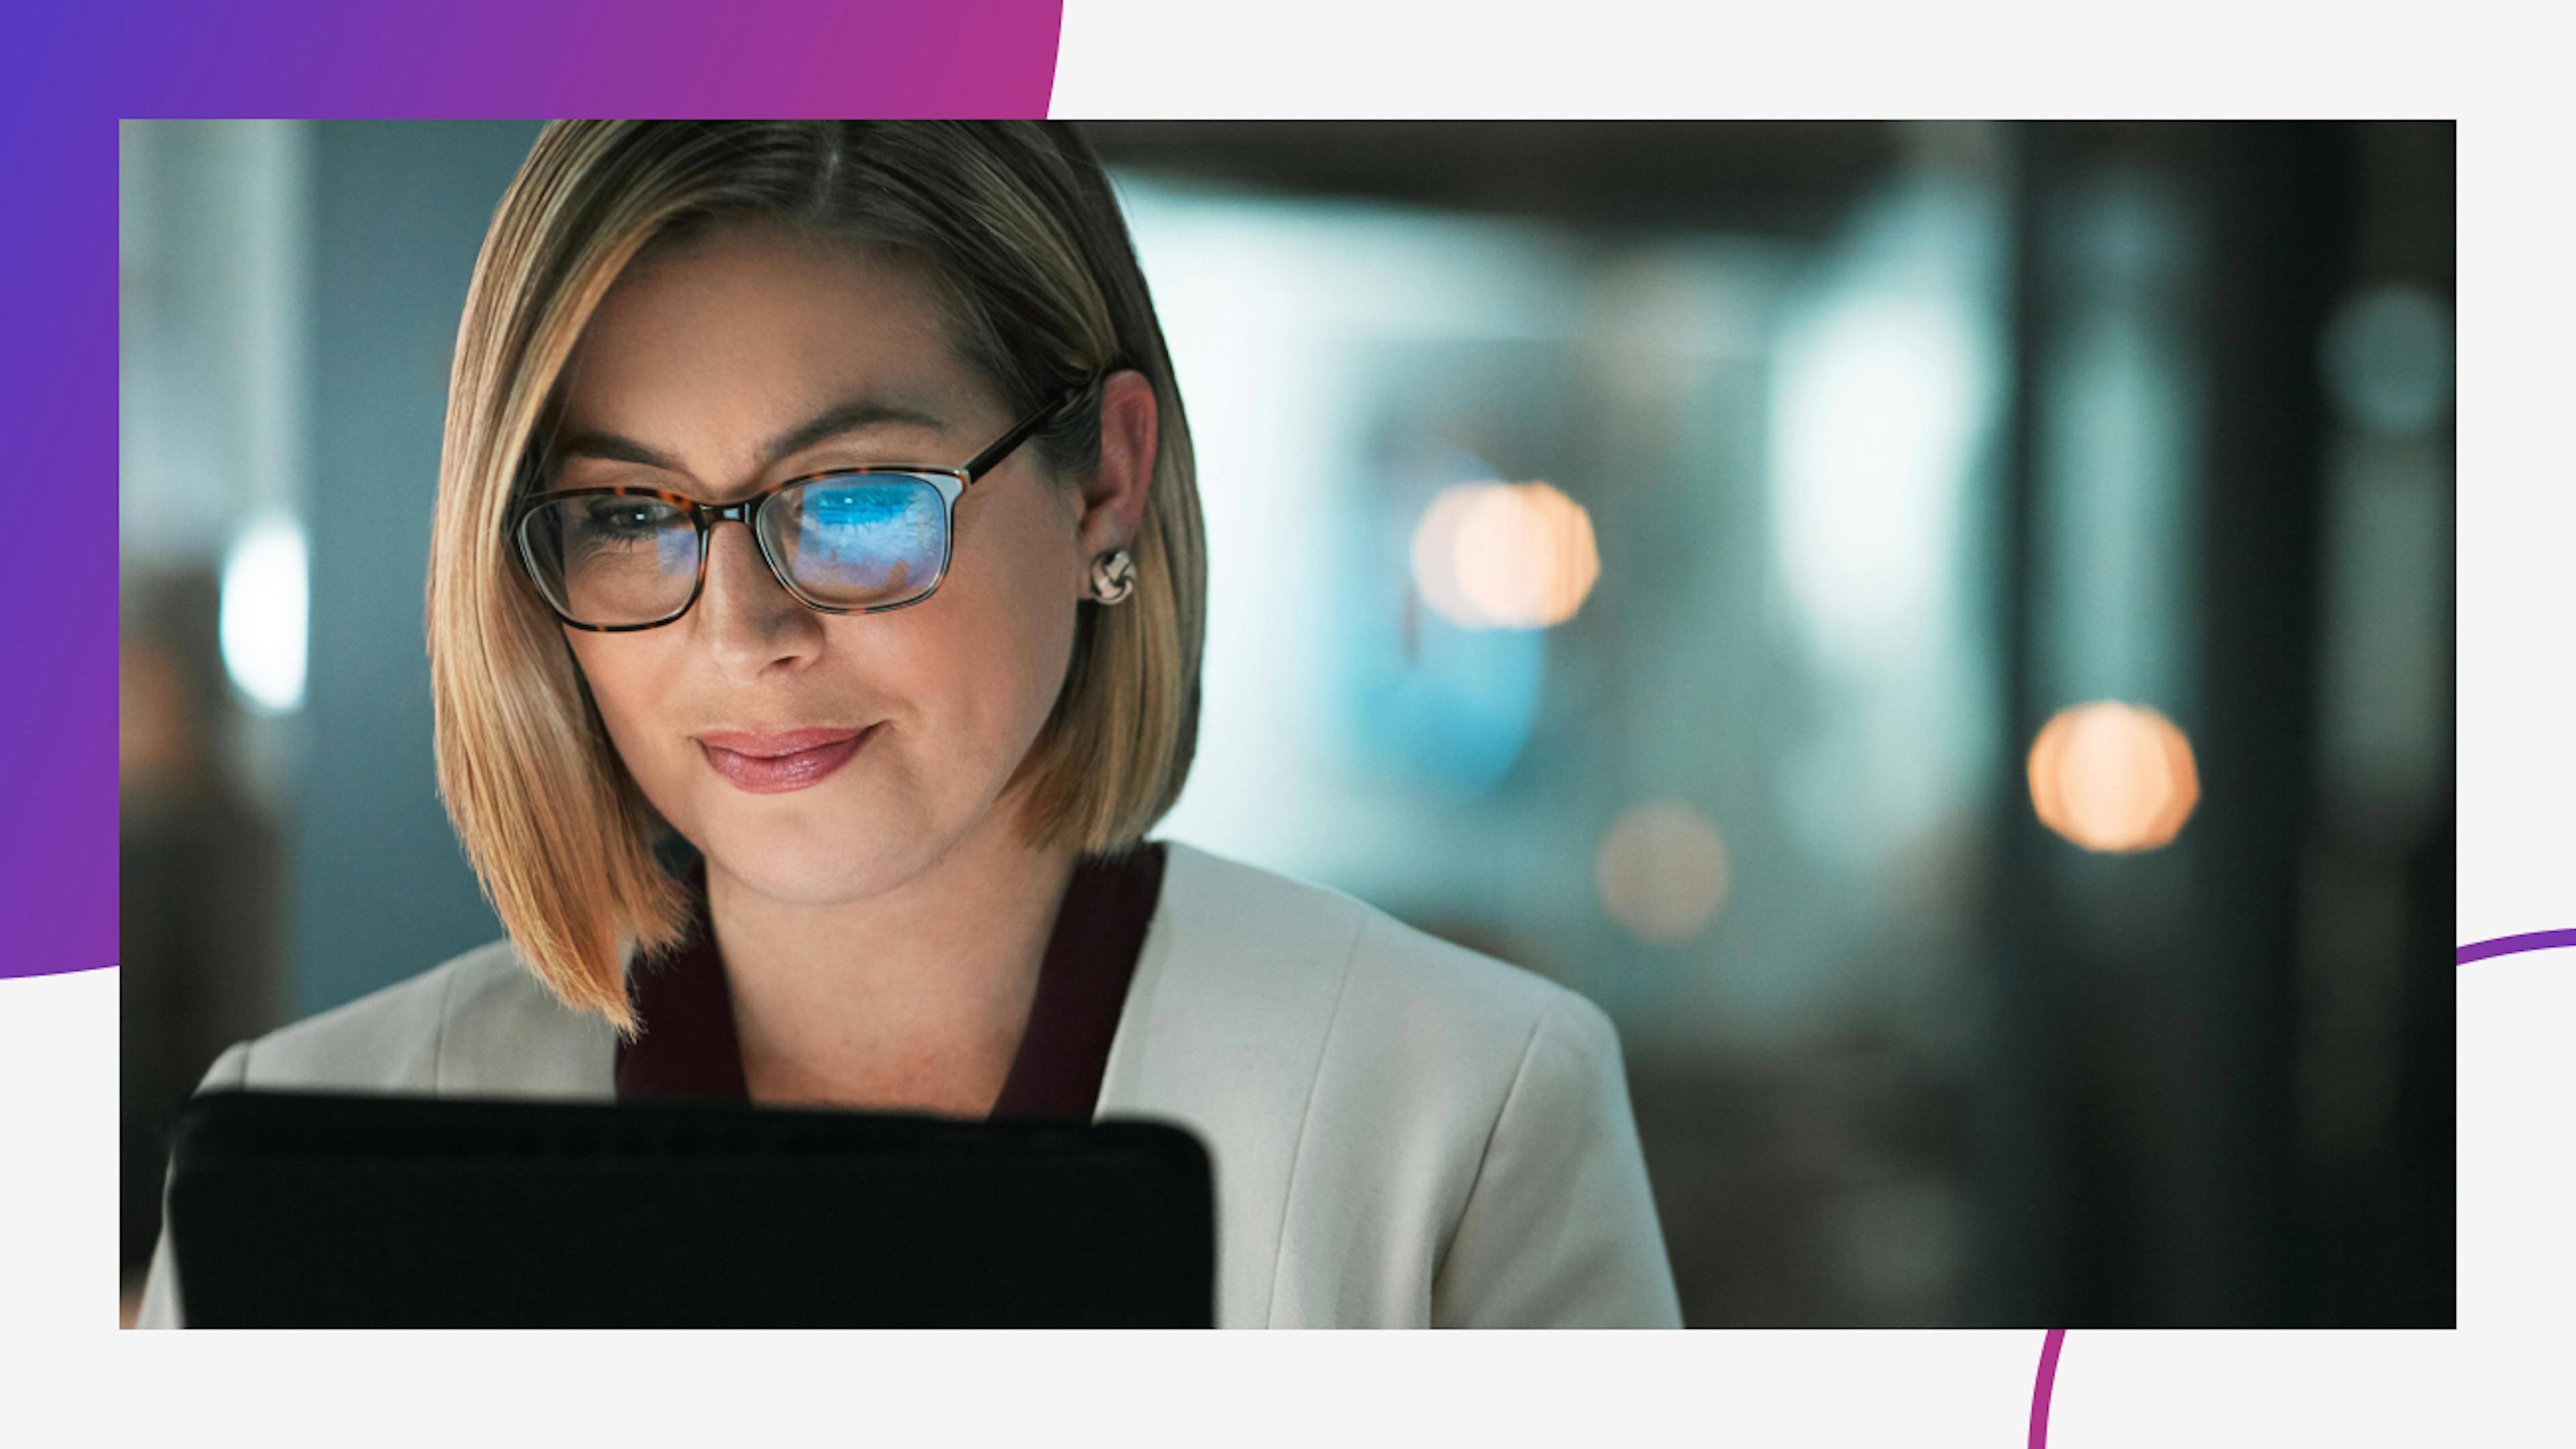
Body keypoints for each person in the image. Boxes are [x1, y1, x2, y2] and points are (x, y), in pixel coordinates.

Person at [136, 120, 1680, 1328]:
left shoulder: (1466, 1110)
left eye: (858, 498)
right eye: (626, 511)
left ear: (1103, 481)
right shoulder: (308, 1147)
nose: (743, 632)